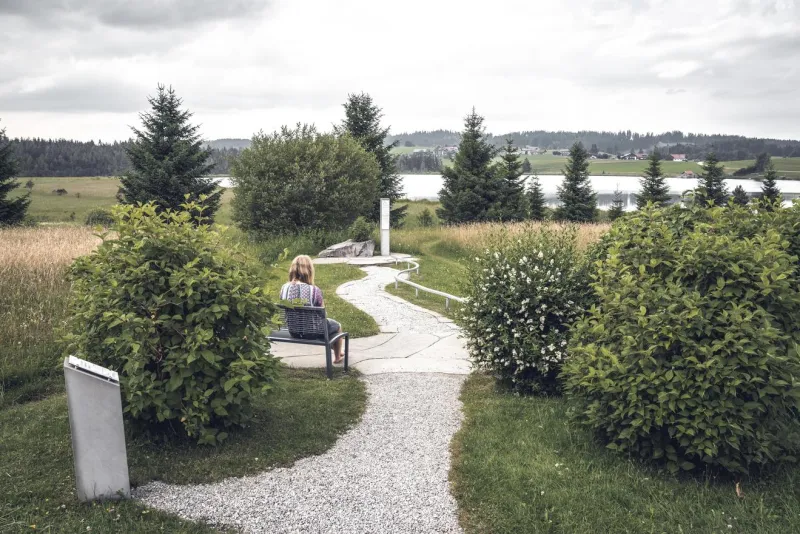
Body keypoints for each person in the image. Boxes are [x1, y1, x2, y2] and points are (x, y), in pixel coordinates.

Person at [279, 255, 345, 363]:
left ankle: (338, 350)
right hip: (311, 333)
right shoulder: (314, 291)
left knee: (328, 327)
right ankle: (337, 357)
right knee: (336, 326)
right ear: (309, 271)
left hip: (293, 331)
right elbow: (323, 314)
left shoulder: (284, 288)